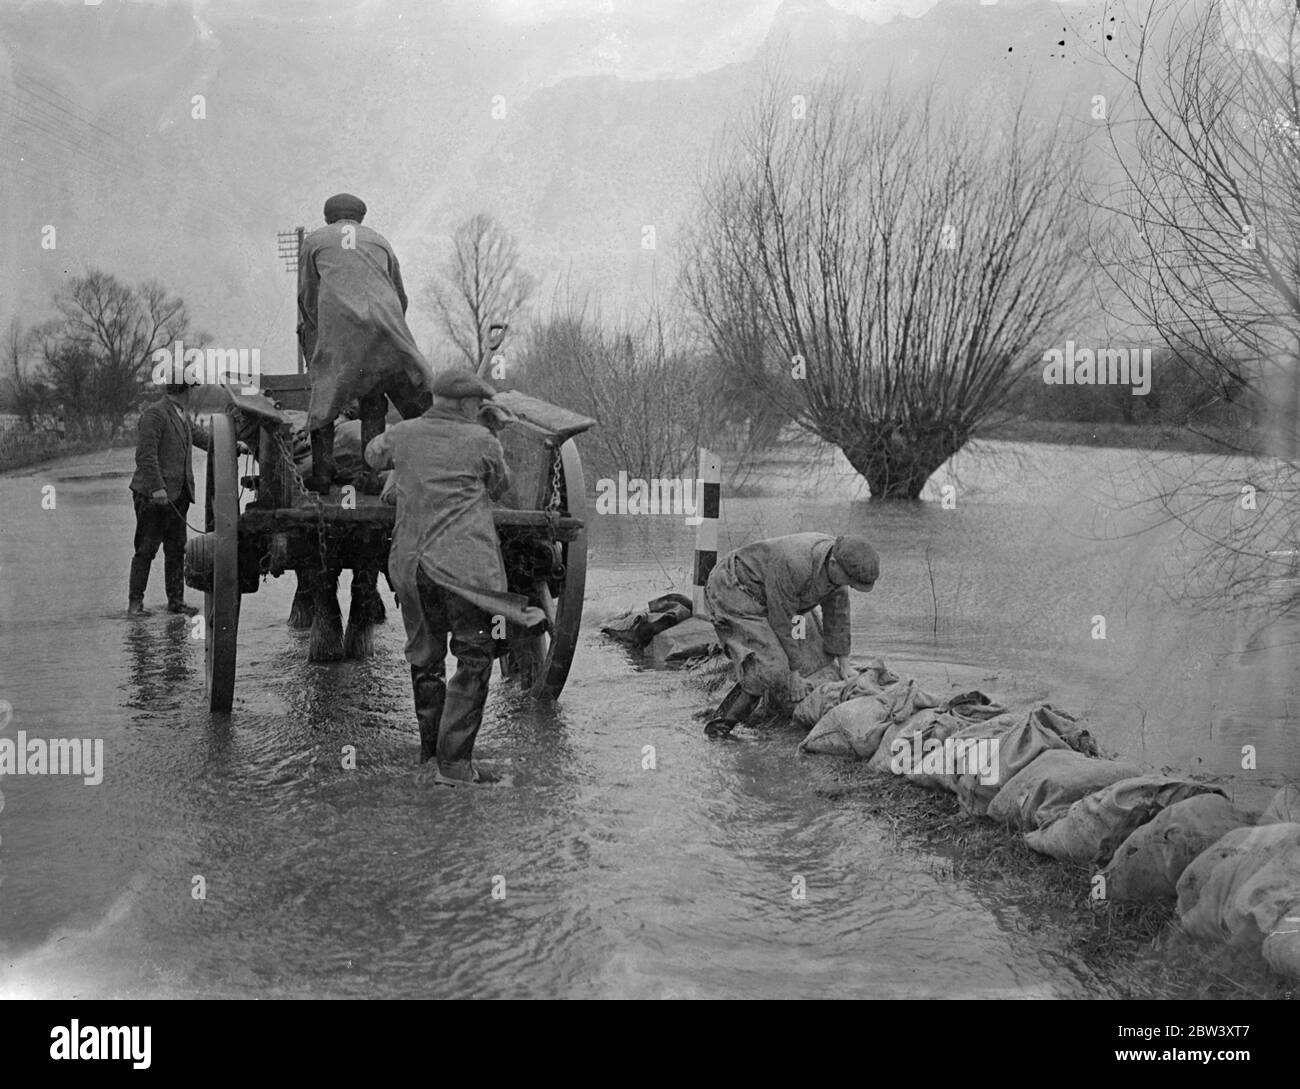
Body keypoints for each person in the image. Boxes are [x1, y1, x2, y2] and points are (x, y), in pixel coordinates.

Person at [363, 368, 544, 786]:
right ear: (467, 406)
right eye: (477, 406)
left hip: (412, 567)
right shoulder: (482, 441)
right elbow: (501, 487)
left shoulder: (404, 433)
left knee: (425, 660)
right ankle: (455, 765)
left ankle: (430, 757)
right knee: (473, 658)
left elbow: (373, 455)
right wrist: (492, 433)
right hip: (465, 572)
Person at [297, 192, 435, 493]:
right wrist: (388, 329)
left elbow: (307, 296)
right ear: (361, 217)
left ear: (327, 217)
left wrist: (319, 333)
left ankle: (322, 476)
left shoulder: (315, 240)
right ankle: (371, 476)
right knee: (374, 394)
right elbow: (400, 295)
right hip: (386, 322)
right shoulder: (380, 240)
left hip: (340, 326)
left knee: (326, 395)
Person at [702, 533, 879, 739]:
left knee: (817, 660)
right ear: (833, 563)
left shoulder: (839, 568)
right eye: (848, 581)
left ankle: (772, 703)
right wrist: (793, 673)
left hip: (779, 596)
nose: (847, 586)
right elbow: (782, 621)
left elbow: (837, 615)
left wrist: (845, 664)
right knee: (774, 668)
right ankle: (720, 726)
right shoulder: (795, 563)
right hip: (736, 589)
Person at [127, 383, 212, 617]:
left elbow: (202, 438)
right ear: (185, 390)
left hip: (178, 496)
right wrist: (157, 488)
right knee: (146, 550)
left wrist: (233, 447)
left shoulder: (180, 414)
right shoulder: (155, 414)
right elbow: (145, 455)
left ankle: (176, 602)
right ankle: (135, 605)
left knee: (176, 550)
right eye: (191, 389)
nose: (193, 393)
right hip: (154, 497)